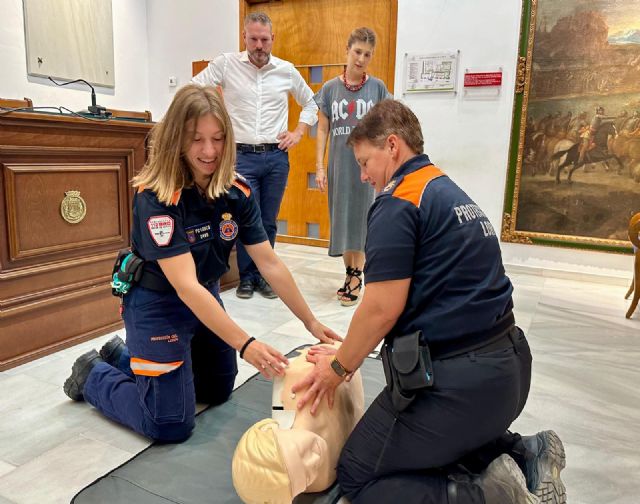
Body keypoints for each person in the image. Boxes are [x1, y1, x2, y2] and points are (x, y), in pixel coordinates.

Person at [292, 100, 567, 504]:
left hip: (459, 387)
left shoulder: (398, 201)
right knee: (430, 452)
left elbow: (381, 308)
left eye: (365, 162)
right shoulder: (447, 189)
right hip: (508, 374)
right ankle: (524, 452)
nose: (364, 176)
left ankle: (486, 495)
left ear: (392, 145)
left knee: (358, 477)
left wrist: (338, 368)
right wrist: (347, 349)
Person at [62, 84, 340, 443]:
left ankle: (127, 356)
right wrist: (247, 344)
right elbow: (185, 286)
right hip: (158, 305)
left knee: (218, 390)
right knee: (169, 423)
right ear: (177, 139)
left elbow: (268, 263)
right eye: (196, 140)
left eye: (218, 138)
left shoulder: (235, 192)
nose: (209, 151)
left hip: (204, 298)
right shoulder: (157, 199)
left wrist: (311, 320)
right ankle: (96, 375)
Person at [192, 12, 318, 301]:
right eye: (253, 39)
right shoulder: (226, 64)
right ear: (244, 38)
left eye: (264, 39)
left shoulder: (286, 70)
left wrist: (298, 132)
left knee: (269, 220)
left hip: (276, 157)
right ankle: (246, 278)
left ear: (273, 39)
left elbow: (311, 102)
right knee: (245, 218)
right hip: (242, 157)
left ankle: (265, 277)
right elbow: (193, 87)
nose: (259, 45)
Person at [314, 27, 391, 307]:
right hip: (339, 166)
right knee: (344, 221)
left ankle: (356, 276)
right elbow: (322, 129)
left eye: (367, 54)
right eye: (357, 51)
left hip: (367, 169)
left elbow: (390, 124)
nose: (361, 58)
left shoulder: (378, 88)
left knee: (363, 222)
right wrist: (319, 167)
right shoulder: (329, 89)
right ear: (347, 50)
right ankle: (351, 273)